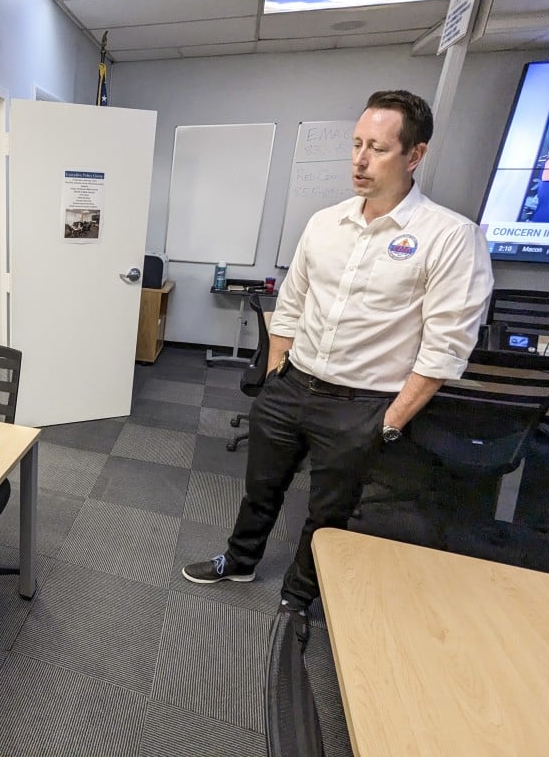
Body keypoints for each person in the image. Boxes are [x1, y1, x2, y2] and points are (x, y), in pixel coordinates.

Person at [182, 90, 494, 643]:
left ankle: (300, 596)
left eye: (377, 148)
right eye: (356, 145)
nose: (360, 160)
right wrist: (277, 368)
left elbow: (446, 347)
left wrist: (391, 421)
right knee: (261, 487)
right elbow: (293, 300)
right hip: (291, 386)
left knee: (328, 511)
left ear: (414, 155)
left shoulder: (450, 237)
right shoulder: (325, 223)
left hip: (362, 404)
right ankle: (242, 559)